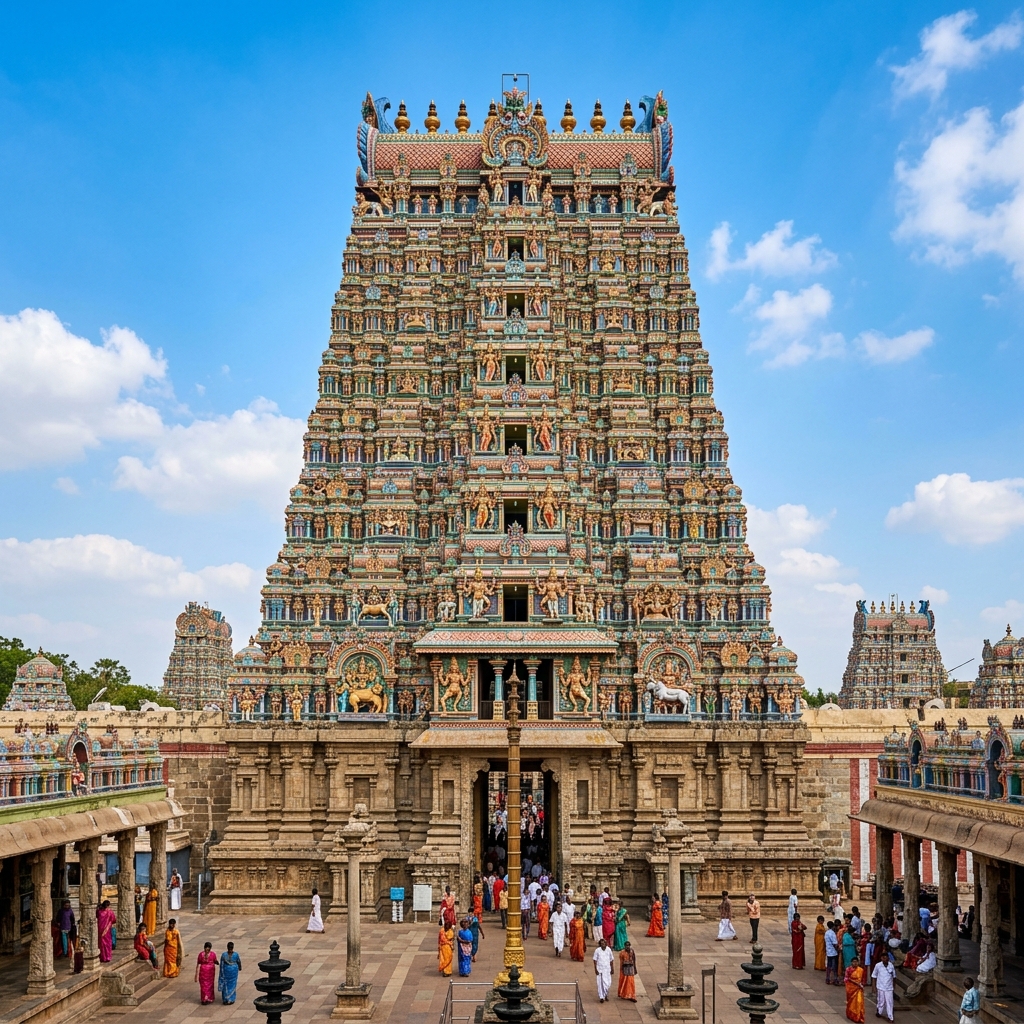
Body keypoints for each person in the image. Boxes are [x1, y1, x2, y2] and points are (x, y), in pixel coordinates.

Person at [871, 950, 895, 1022]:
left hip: (889, 987)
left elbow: (894, 977)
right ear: (881, 958)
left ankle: (890, 1017)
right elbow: (874, 976)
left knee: (889, 1002)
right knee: (881, 1001)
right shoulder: (878, 965)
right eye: (884, 958)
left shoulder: (891, 965)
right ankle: (879, 1012)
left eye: (886, 957)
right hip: (880, 987)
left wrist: (894, 986)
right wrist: (873, 987)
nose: (885, 959)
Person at [843, 955, 866, 1023]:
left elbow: (863, 979)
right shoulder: (848, 969)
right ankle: (851, 1015)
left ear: (858, 962)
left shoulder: (861, 970)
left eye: (856, 962)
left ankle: (858, 1017)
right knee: (851, 1003)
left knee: (859, 1002)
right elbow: (846, 979)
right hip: (851, 989)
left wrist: (861, 984)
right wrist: (855, 983)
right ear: (851, 963)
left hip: (858, 989)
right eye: (853, 962)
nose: (855, 963)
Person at [593, 938, 615, 1003]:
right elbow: (594, 960)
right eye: (602, 944)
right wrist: (595, 969)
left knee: (608, 983)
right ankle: (601, 997)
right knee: (600, 984)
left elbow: (611, 960)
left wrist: (612, 968)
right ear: (600, 944)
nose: (603, 945)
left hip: (607, 969)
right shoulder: (597, 951)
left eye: (604, 943)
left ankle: (605, 995)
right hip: (600, 969)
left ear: (606, 944)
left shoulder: (609, 950)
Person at [825, 920, 841, 985]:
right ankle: (835, 979)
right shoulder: (832, 933)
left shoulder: (826, 932)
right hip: (833, 952)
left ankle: (828, 978)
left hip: (828, 951)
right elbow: (835, 943)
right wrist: (838, 949)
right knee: (834, 966)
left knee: (829, 966)